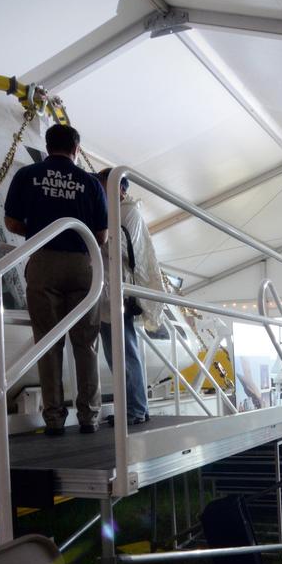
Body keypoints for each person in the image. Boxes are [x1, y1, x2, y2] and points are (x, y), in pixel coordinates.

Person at [4, 124, 108, 435]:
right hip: (82, 265)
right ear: (76, 149)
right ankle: (89, 417)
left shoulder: (27, 175)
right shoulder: (90, 183)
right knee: (86, 343)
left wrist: (39, 231)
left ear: (47, 146)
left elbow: (11, 222)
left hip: (43, 262)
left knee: (48, 342)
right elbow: (101, 236)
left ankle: (54, 419)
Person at [95, 168, 153, 426]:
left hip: (117, 291)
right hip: (114, 290)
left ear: (119, 188)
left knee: (122, 353)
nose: (100, 191)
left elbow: (119, 248)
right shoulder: (127, 212)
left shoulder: (126, 213)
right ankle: (137, 407)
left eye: (103, 186)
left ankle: (135, 409)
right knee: (122, 353)